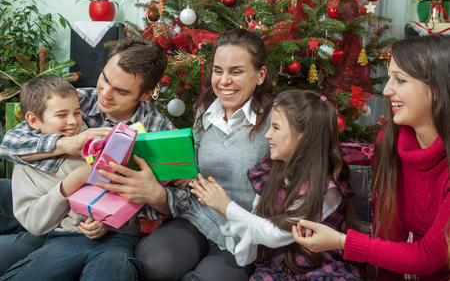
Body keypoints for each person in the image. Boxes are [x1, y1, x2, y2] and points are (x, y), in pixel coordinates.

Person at [95, 28, 277, 280]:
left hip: (243, 229)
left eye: (236, 71)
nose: (224, 81)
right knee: (153, 263)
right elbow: (191, 169)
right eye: (218, 70)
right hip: (198, 217)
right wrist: (184, 175)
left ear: (260, 75)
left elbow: (290, 178)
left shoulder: (276, 119)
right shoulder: (205, 112)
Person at [0, 36, 174, 275]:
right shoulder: (78, 100)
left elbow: (173, 199)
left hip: (114, 228)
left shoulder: (160, 130)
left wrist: (122, 210)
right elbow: (10, 144)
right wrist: (68, 143)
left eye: (121, 91)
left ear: (145, 94)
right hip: (54, 207)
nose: (105, 93)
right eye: (105, 79)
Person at [292, 34, 450, 280]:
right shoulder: (390, 140)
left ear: (438, 88)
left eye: (400, 80)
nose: (387, 90)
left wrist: (342, 241)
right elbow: (390, 229)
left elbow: (431, 257)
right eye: (389, 78)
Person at [189, 90, 364, 280]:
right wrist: (220, 207)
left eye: (276, 128)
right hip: (277, 267)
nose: (267, 135)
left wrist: (226, 207)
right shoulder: (270, 171)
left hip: (318, 268)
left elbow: (277, 233)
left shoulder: (326, 189)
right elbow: (256, 221)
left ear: (304, 135)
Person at [1, 76, 142, 280]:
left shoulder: (100, 142)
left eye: (77, 112)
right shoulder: (26, 162)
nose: (72, 121)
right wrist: (72, 182)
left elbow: (132, 192)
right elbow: (35, 222)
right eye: (61, 114)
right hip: (63, 240)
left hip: (117, 239)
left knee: (110, 271)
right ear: (34, 120)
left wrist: (108, 221)